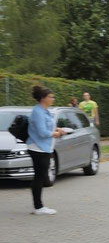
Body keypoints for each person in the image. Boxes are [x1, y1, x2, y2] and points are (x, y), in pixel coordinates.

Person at [27, 86, 67, 215]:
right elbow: (42, 132)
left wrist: (58, 129)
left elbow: (50, 125)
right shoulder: (37, 112)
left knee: (41, 176)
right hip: (37, 148)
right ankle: (38, 207)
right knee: (40, 177)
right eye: (51, 96)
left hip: (44, 148)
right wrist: (56, 134)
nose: (53, 99)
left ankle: (38, 206)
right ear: (43, 98)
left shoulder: (45, 111)